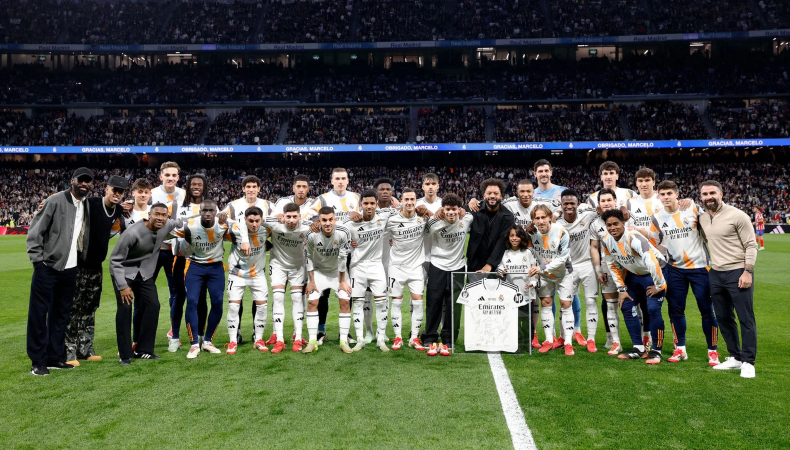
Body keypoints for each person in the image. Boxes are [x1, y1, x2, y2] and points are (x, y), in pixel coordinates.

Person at [26, 167, 93, 376]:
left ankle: (55, 357)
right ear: (72, 180)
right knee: (39, 314)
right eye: (81, 180)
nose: (84, 184)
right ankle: (38, 361)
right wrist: (38, 261)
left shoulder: (86, 204)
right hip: (47, 267)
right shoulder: (54, 201)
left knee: (61, 315)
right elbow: (36, 231)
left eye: (88, 181)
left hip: (70, 269)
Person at [649, 181, 720, 366]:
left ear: (677, 194)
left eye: (669, 193)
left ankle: (713, 351)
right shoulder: (656, 217)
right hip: (675, 269)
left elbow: (712, 221)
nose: (666, 197)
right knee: (676, 311)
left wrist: (691, 200)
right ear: (658, 196)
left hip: (700, 268)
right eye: (662, 194)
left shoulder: (693, 208)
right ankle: (680, 348)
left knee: (706, 310)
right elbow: (656, 244)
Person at [64, 175, 128, 366]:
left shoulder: (117, 210)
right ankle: (68, 351)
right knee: (73, 308)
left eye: (121, 191)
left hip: (96, 267)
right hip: (78, 264)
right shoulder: (90, 203)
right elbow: (69, 204)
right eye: (114, 190)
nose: (117, 194)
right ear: (106, 189)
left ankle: (85, 348)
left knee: (90, 307)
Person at [110, 203, 185, 364]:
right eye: (156, 214)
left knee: (153, 305)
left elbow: (180, 222)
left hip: (144, 274)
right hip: (124, 273)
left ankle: (144, 350)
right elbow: (115, 261)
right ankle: (125, 355)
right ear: (149, 215)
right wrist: (123, 286)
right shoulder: (132, 233)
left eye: (163, 215)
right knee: (125, 309)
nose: (160, 217)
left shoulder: (165, 225)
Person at [698, 180, 758, 379]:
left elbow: (751, 245)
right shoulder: (703, 218)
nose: (709, 197)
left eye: (712, 193)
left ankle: (748, 362)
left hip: (738, 271)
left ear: (721, 194)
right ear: (701, 197)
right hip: (716, 273)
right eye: (705, 194)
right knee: (723, 317)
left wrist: (748, 271)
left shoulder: (737, 215)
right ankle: (735, 357)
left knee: (745, 318)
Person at [170, 199, 240, 359]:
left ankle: (208, 341)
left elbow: (240, 228)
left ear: (216, 212)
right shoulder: (190, 224)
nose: (208, 214)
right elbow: (167, 231)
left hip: (215, 267)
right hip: (195, 266)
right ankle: (194, 344)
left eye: (211, 211)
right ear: (199, 211)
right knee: (192, 301)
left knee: (217, 303)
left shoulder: (223, 223)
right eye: (204, 211)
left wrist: (237, 234)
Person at [600, 209, 667, 365]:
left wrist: (659, 285)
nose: (612, 228)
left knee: (652, 309)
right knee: (626, 305)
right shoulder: (606, 241)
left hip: (655, 272)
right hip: (635, 276)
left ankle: (656, 351)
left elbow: (652, 262)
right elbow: (613, 265)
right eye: (609, 225)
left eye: (616, 223)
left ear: (623, 223)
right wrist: (622, 290)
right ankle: (638, 348)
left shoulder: (634, 238)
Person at [310, 168, 360, 345]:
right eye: (337, 178)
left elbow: (366, 217)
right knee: (323, 294)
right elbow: (308, 216)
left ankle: (344, 333)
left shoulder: (356, 198)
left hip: (348, 253)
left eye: (343, 178)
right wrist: (315, 223)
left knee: (346, 292)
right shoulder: (323, 199)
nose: (340, 181)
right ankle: (321, 330)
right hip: (325, 253)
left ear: (348, 180)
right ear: (331, 181)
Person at [345, 190, 397, 352]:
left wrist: (397, 202)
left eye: (372, 203)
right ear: (361, 205)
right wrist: (350, 213)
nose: (369, 207)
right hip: (357, 268)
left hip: (376, 267)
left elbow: (405, 211)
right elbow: (336, 234)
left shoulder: (383, 218)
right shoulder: (351, 223)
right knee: (359, 303)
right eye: (365, 203)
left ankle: (381, 339)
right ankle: (360, 338)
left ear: (376, 204)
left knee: (382, 302)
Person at [223, 175, 272, 345]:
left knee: (258, 301)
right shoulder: (233, 205)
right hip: (239, 261)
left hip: (257, 263)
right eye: (248, 186)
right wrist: (240, 236)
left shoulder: (267, 206)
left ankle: (255, 332)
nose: (251, 189)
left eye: (254, 186)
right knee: (237, 301)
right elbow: (223, 221)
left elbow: (273, 224)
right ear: (243, 189)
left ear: (259, 188)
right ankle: (235, 332)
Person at [423, 194, 473, 356]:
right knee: (433, 302)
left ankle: (449, 338)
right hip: (437, 265)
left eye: (454, 209)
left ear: (459, 209)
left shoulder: (467, 219)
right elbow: (422, 232)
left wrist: (467, 208)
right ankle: (429, 336)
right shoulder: (435, 222)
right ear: (442, 209)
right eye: (447, 209)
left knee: (454, 305)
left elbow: (473, 213)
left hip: (458, 267)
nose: (451, 212)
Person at [262, 203, 312, 352]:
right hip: (278, 266)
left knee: (297, 299)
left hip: (298, 267)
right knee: (277, 298)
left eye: (294, 216)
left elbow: (326, 224)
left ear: (300, 216)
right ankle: (280, 339)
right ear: (283, 216)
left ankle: (298, 338)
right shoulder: (276, 224)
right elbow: (253, 217)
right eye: (288, 216)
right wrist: (274, 218)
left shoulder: (307, 227)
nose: (291, 220)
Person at [303, 207, 352, 354]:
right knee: (312, 301)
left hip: (338, 273)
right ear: (319, 221)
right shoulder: (311, 234)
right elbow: (308, 257)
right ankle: (312, 341)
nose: (327, 223)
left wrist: (342, 281)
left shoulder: (343, 232)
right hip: (319, 271)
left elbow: (343, 258)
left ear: (335, 219)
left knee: (344, 301)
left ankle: (343, 341)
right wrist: (311, 281)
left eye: (330, 219)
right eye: (324, 220)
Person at [168, 173, 210, 350]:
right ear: (188, 186)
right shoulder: (177, 205)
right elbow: (169, 228)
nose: (196, 187)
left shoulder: (209, 206)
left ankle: (200, 335)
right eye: (193, 184)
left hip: (202, 259)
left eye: (200, 184)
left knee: (201, 298)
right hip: (181, 257)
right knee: (179, 297)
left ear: (204, 186)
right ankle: (175, 337)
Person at [527, 205, 575, 356]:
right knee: (546, 304)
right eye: (537, 218)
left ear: (549, 217)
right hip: (544, 275)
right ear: (533, 220)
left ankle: (567, 342)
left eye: (543, 217)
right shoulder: (532, 234)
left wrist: (542, 268)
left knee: (566, 304)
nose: (540, 221)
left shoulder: (561, 232)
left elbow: (563, 257)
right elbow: (532, 255)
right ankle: (548, 340)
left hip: (563, 273)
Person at [557, 189, 600, 353]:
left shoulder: (587, 215)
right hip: (567, 266)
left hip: (587, 264)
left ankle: (591, 339)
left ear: (577, 203)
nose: (569, 206)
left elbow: (604, 211)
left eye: (572, 203)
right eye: (566, 203)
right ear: (561, 205)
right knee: (565, 304)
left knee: (590, 301)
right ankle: (567, 341)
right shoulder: (557, 224)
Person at [149, 161, 186, 341]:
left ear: (178, 177)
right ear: (160, 176)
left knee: (176, 292)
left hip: (176, 252)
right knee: (146, 290)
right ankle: (142, 333)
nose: (171, 178)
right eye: (167, 175)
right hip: (153, 250)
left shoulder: (185, 195)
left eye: (174, 175)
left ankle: (173, 330)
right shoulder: (152, 194)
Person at [496, 226, 539, 351]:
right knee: (513, 320)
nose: (515, 238)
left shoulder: (528, 252)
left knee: (527, 320)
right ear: (508, 238)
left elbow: (535, 270)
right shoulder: (504, 253)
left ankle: (527, 343)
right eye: (512, 236)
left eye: (518, 235)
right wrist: (500, 272)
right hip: (511, 295)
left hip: (527, 292)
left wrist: (534, 283)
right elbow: (499, 269)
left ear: (522, 237)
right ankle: (517, 343)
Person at [465, 178, 515, 281]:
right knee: (473, 296)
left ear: (501, 196)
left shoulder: (508, 216)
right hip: (474, 265)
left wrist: (489, 265)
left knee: (495, 296)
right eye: (489, 193)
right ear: (484, 195)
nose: (492, 196)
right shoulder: (474, 209)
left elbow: (502, 242)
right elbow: (455, 211)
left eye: (496, 193)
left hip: (497, 265)